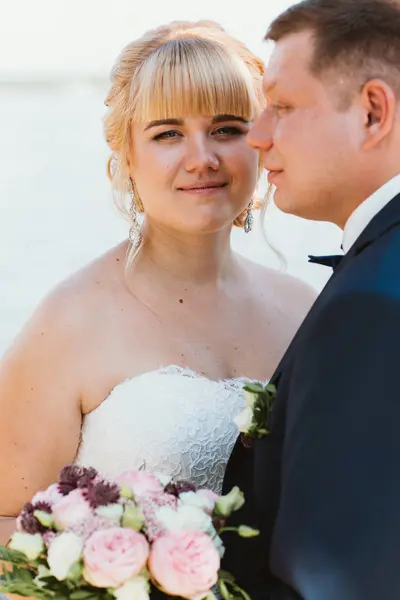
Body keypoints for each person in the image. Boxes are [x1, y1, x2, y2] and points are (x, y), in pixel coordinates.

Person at [0, 20, 316, 544]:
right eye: (168, 133)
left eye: (227, 128)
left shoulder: (303, 309)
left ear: (260, 141)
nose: (202, 158)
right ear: (127, 155)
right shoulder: (70, 321)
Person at [222, 0, 400, 598]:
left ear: (373, 112)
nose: (257, 134)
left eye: (284, 106)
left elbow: (337, 582)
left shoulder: (372, 303)